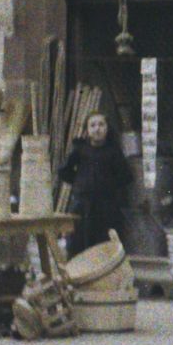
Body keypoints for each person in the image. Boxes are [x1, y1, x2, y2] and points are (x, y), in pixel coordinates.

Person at [56, 110, 133, 257]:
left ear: (107, 128)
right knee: (79, 244)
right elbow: (64, 171)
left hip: (106, 207)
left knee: (104, 246)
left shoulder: (114, 151)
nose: (97, 129)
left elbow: (125, 177)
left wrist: (107, 186)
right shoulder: (80, 149)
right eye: (92, 125)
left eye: (101, 124)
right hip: (82, 206)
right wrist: (80, 182)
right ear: (87, 130)